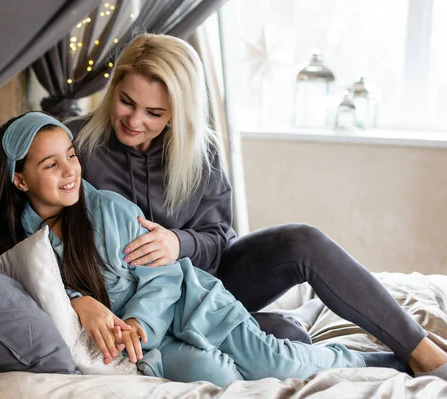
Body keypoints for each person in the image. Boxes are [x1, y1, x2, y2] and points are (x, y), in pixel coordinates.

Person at [63, 33, 447, 380]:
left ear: (178, 112)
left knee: (303, 240)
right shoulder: (71, 146)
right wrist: (78, 298)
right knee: (287, 335)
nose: (134, 120)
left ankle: (422, 351)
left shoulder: (201, 151)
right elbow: (34, 237)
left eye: (155, 113)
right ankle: (309, 326)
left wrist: (179, 244)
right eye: (126, 102)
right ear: (113, 88)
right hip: (135, 306)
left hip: (208, 289)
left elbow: (218, 237)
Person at [0, 112, 447, 386]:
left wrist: (138, 322)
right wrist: (79, 302)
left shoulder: (106, 210)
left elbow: (164, 277)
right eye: (51, 164)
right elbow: (24, 291)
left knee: (277, 360)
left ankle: (384, 361)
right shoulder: (22, 249)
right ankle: (296, 335)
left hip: (191, 306)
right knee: (220, 378)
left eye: (71, 155)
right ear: (19, 180)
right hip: (153, 350)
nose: (70, 170)